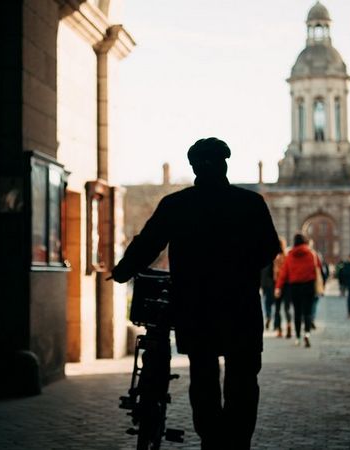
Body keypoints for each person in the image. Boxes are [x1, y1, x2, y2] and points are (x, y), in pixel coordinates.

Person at [110, 138, 281, 450]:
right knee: (242, 378)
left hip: (194, 305)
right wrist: (241, 271)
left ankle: (212, 439)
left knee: (203, 376)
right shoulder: (249, 203)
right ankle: (237, 441)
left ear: (193, 167)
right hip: (239, 305)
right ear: (224, 164)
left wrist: (122, 271)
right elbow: (270, 248)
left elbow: (149, 243)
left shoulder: (177, 204)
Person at [275, 234, 321, 348]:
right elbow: (318, 269)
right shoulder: (311, 254)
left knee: (297, 312)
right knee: (308, 312)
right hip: (309, 286)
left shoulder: (290, 255)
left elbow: (284, 273)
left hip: (294, 287)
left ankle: (298, 338)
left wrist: (278, 287)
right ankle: (307, 333)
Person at [271, 238, 292, 338]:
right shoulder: (287, 256)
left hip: (277, 286)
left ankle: (279, 330)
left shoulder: (274, 257)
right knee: (287, 308)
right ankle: (289, 325)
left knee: (277, 309)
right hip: (287, 285)